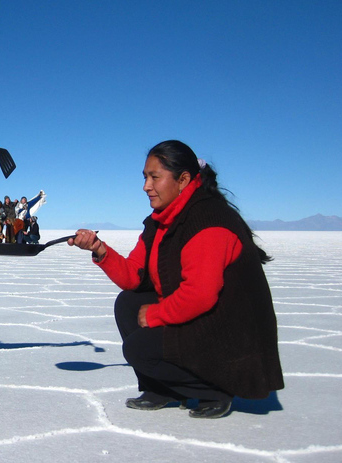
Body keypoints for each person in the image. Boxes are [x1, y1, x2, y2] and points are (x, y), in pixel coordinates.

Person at [68, 140, 283, 419]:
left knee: (139, 349)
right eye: (145, 177)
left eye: (154, 177)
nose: (146, 186)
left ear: (183, 180)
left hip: (230, 333)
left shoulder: (208, 220)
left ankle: (216, 389)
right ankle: (162, 389)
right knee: (129, 303)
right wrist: (100, 249)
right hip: (204, 319)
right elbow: (135, 276)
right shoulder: (161, 221)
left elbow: (200, 294)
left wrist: (157, 315)